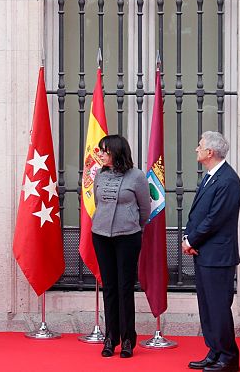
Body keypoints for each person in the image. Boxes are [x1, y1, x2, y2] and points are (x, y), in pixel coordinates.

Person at [183, 131, 240, 372]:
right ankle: (214, 350)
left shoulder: (228, 180)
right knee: (207, 307)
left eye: (199, 146)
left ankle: (228, 357)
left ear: (210, 152)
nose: (196, 149)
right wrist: (189, 237)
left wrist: (192, 240)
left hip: (218, 256)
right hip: (204, 252)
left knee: (218, 307)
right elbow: (198, 214)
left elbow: (215, 219)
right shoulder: (210, 177)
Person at [91, 134, 150, 359]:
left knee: (125, 288)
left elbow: (145, 209)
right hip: (101, 236)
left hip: (128, 236)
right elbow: (98, 204)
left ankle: (127, 339)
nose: (102, 154)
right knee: (109, 288)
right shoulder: (100, 175)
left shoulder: (137, 177)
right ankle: (110, 337)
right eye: (101, 151)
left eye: (105, 151)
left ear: (117, 152)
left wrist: (134, 225)